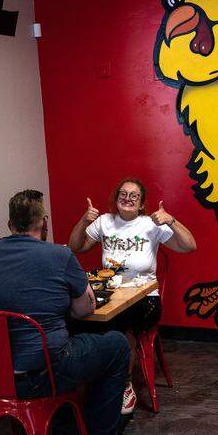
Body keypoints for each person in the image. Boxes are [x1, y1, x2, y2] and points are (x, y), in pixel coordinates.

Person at [0, 189, 144, 435]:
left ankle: (67, 428)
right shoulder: (58, 256)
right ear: (44, 223)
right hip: (40, 375)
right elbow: (83, 309)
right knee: (117, 346)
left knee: (62, 341)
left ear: (10, 225)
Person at [68, 177, 196, 413]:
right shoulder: (105, 222)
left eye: (133, 195)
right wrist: (82, 221)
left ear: (141, 203)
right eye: (123, 194)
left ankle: (122, 383)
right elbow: (76, 246)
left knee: (120, 325)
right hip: (111, 295)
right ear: (116, 200)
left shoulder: (151, 224)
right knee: (78, 318)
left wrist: (171, 220)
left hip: (145, 299)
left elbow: (189, 246)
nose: (127, 199)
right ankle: (93, 380)